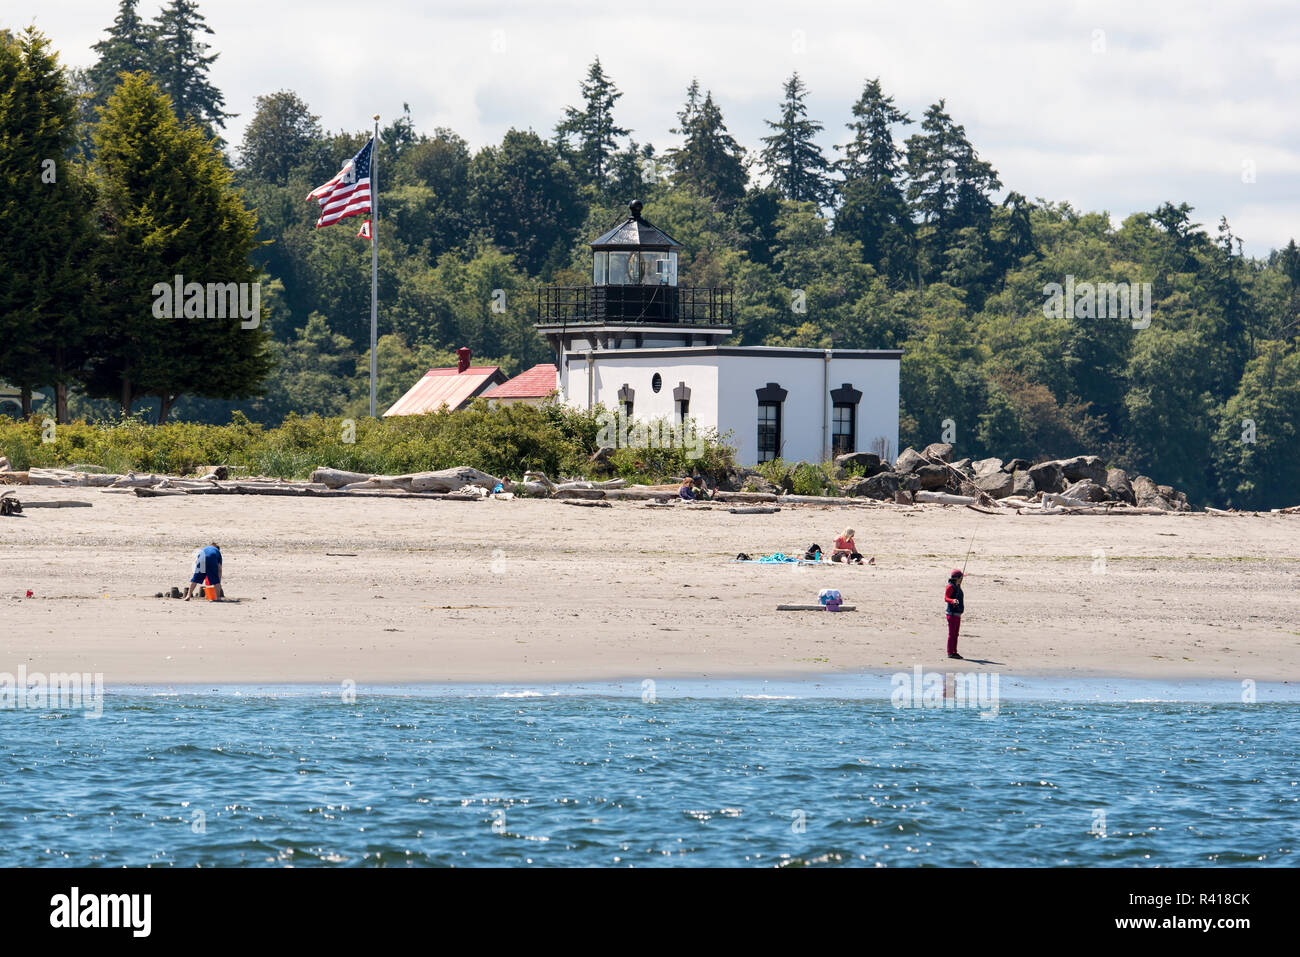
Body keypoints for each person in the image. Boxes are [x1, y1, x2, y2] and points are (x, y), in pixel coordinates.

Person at [944, 569, 965, 659]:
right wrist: (952, 600)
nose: (962, 579)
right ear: (957, 578)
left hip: (957, 614)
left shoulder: (958, 586)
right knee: (952, 634)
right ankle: (950, 652)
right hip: (951, 614)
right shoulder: (950, 586)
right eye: (961, 577)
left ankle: (954, 651)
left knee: (956, 634)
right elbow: (946, 598)